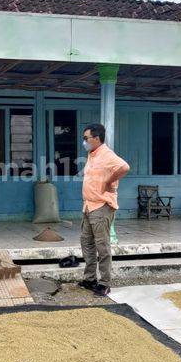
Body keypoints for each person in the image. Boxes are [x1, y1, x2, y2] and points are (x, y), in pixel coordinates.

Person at [78, 123, 130, 297]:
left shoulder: (106, 154)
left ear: (96, 138)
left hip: (101, 206)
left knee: (102, 246)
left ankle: (104, 283)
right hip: (88, 206)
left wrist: (109, 181)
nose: (84, 141)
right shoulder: (92, 154)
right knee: (86, 242)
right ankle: (90, 278)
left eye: (86, 138)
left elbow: (124, 167)